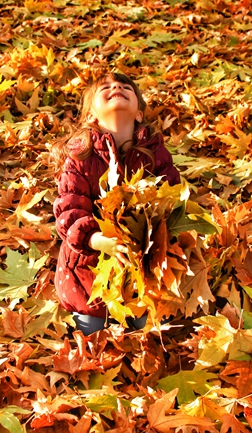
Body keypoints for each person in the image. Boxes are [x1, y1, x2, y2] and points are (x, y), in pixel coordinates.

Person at [52, 71, 181, 335]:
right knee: (91, 325)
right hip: (88, 259)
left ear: (139, 114)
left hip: (142, 257)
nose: (117, 88)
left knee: (149, 326)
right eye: (106, 87)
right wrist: (95, 239)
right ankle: (92, 320)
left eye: (125, 87)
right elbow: (69, 210)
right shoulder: (81, 156)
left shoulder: (154, 153)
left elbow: (172, 196)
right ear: (91, 116)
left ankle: (140, 313)